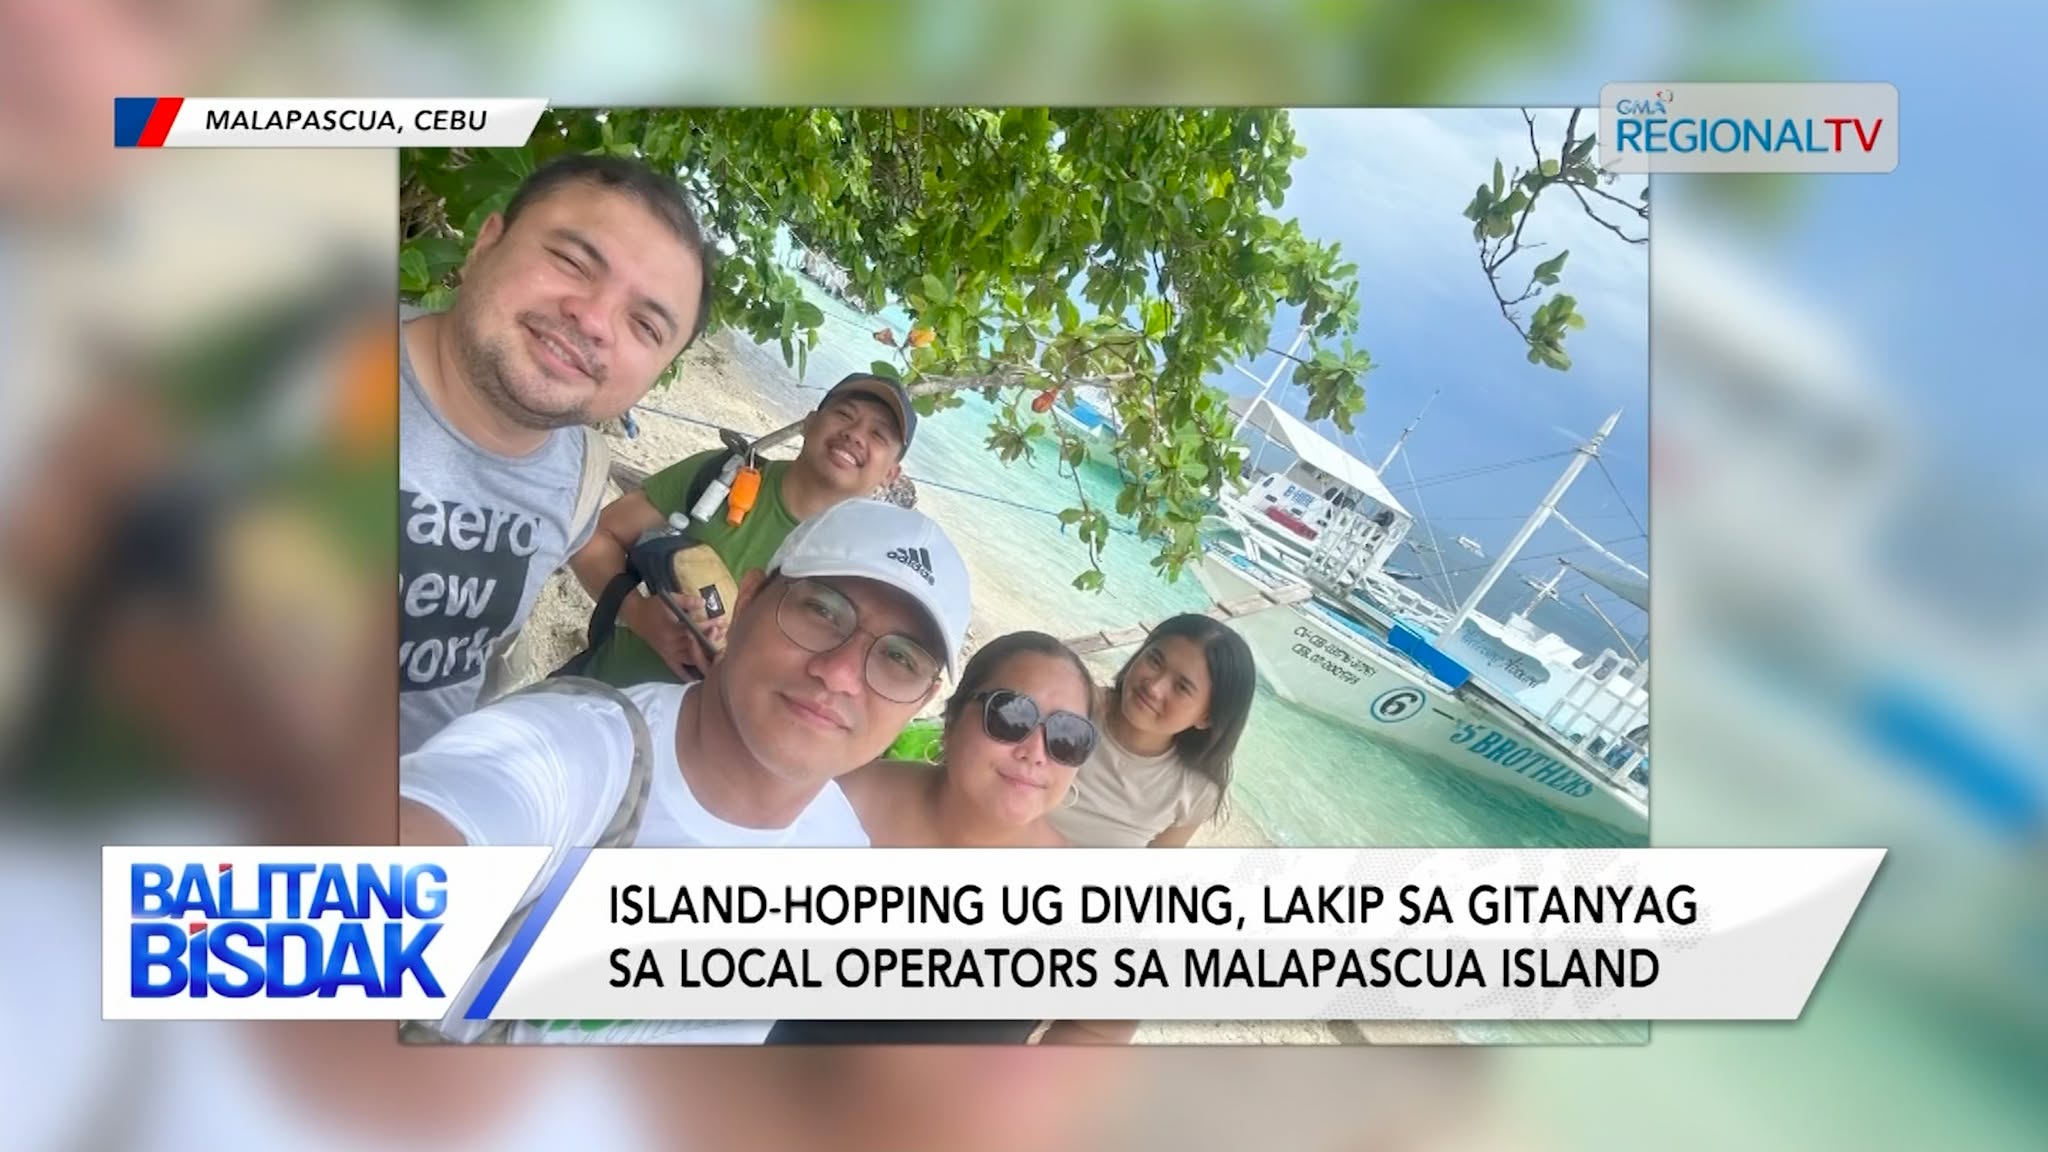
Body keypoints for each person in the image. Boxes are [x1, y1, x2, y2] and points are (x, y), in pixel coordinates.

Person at [399, 498, 971, 1044]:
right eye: (823, 611)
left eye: (900, 658)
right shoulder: (572, 755)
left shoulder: (842, 857)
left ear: (920, 702)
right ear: (746, 602)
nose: (841, 674)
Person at [399, 151, 715, 754]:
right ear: (484, 244)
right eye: (571, 261)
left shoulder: (579, 477)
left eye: (645, 326)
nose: (593, 319)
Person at [767, 631, 1105, 1045]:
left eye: (1067, 736)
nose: (1035, 751)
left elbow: (1094, 1028)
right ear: (951, 721)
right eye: (1010, 715)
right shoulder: (838, 801)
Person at [566, 371, 919, 686]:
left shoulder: (864, 570)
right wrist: (639, 614)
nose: (855, 434)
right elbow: (596, 537)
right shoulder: (720, 477)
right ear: (809, 423)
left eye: (878, 435)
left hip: (707, 755)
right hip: (601, 695)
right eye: (844, 414)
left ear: (891, 474)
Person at [1049, 614, 1256, 849]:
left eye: (1182, 687)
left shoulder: (1194, 791)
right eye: (1155, 661)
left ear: (1207, 716)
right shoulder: (1070, 705)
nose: (1154, 687)